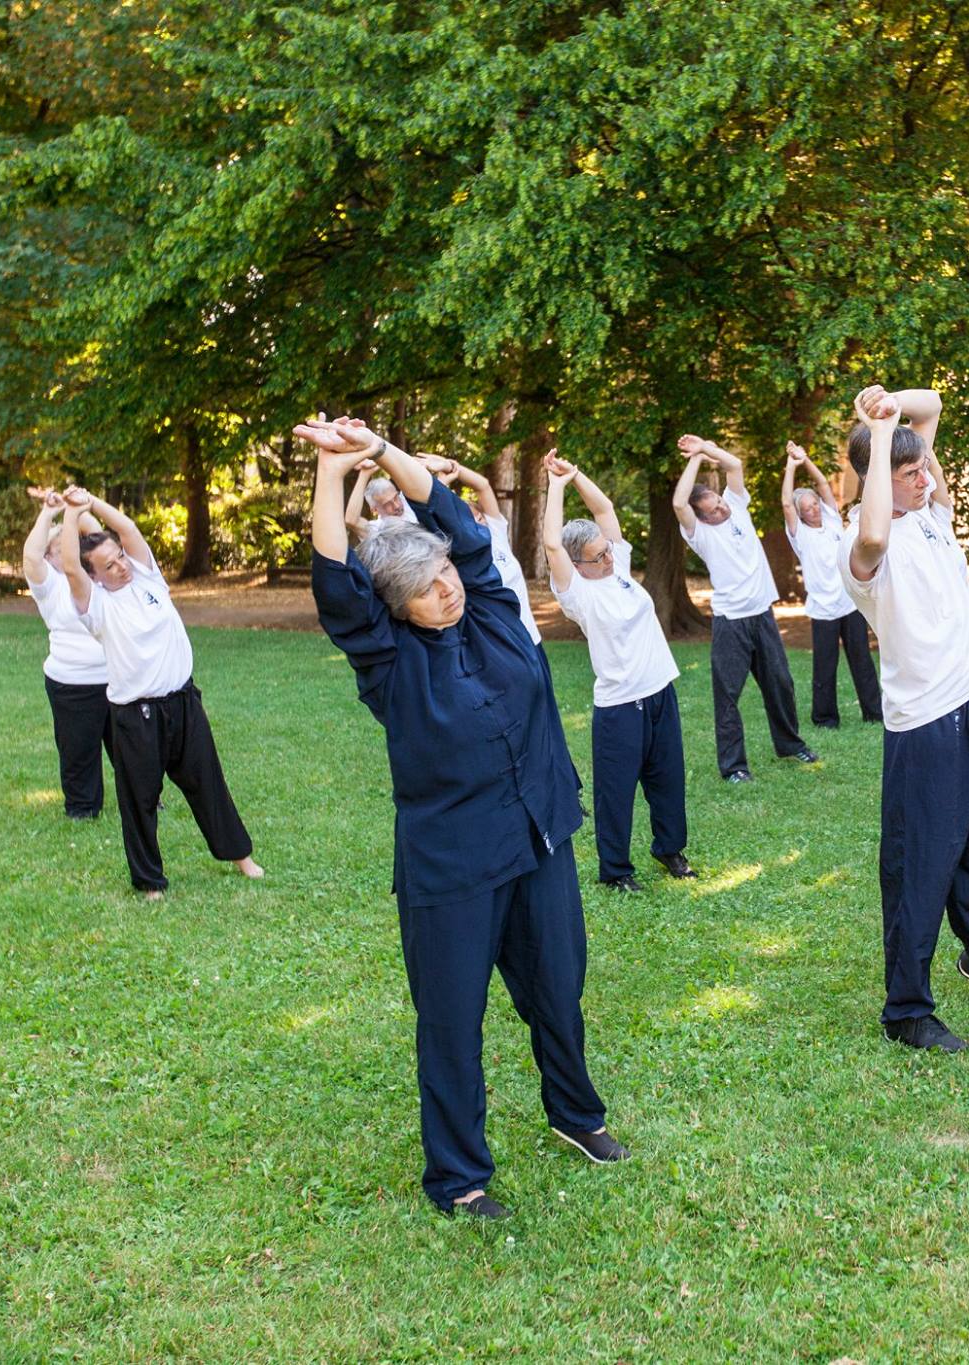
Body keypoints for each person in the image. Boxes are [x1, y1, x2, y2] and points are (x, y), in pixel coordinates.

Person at [298, 414, 624, 1221]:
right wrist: (332, 470)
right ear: (397, 608)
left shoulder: (486, 605)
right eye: (425, 588)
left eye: (443, 573)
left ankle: (576, 1117)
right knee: (451, 1019)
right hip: (453, 868)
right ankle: (459, 1176)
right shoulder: (390, 664)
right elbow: (334, 577)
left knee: (559, 987)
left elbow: (447, 510)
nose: (444, 587)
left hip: (538, 835)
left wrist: (377, 451)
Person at [841, 385, 969, 1054]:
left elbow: (934, 405)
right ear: (876, 477)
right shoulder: (864, 545)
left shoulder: (928, 512)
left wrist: (889, 406)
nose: (926, 476)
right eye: (908, 470)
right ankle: (906, 1010)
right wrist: (878, 431)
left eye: (924, 465)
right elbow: (871, 529)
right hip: (925, 721)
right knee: (920, 865)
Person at [55, 487, 262, 898]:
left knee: (209, 784)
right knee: (140, 800)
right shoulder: (95, 607)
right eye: (108, 566)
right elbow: (70, 566)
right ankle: (150, 882)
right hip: (136, 716)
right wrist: (68, 514)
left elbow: (128, 528)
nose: (119, 567)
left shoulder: (147, 575)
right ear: (94, 576)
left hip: (183, 703)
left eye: (119, 558)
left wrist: (91, 503)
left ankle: (241, 857)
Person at [542, 454, 694, 893]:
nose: (608, 556)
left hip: (660, 691)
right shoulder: (577, 595)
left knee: (668, 781)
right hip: (620, 707)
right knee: (617, 794)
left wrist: (575, 475)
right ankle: (616, 871)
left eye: (607, 550)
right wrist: (555, 487)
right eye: (597, 556)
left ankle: (670, 848)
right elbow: (553, 544)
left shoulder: (619, 571)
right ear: (578, 565)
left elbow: (604, 510)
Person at [672, 433, 818, 781]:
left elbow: (734, 465)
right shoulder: (700, 535)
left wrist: (706, 449)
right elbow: (680, 504)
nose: (721, 508)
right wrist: (694, 460)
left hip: (762, 615)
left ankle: (790, 744)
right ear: (701, 519)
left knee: (780, 683)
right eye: (713, 510)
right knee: (728, 695)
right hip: (731, 623)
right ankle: (734, 767)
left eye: (719, 503)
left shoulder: (735, 505)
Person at [22, 489, 111, 819]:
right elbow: (30, 557)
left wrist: (76, 507)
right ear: (50, 556)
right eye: (61, 548)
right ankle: (82, 808)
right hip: (72, 683)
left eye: (76, 543)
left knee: (135, 748)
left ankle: (147, 796)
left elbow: (101, 539)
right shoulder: (50, 586)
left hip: (119, 678)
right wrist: (48, 513)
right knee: (78, 752)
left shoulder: (103, 578)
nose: (71, 550)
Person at [782, 441, 881, 727]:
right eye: (807, 507)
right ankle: (825, 718)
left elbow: (824, 484)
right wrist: (791, 465)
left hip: (849, 604)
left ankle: (874, 712)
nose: (812, 509)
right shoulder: (799, 534)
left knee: (862, 662)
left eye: (814, 504)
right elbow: (786, 502)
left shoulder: (833, 520)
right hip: (823, 609)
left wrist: (805, 459)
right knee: (824, 668)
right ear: (800, 514)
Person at [433, 455, 544, 645]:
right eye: (470, 521)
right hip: (497, 644)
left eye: (480, 517)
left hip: (531, 639)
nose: (478, 523)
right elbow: (436, 512)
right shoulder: (459, 557)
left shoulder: (497, 535)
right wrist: (439, 485)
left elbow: (483, 486)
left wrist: (450, 466)